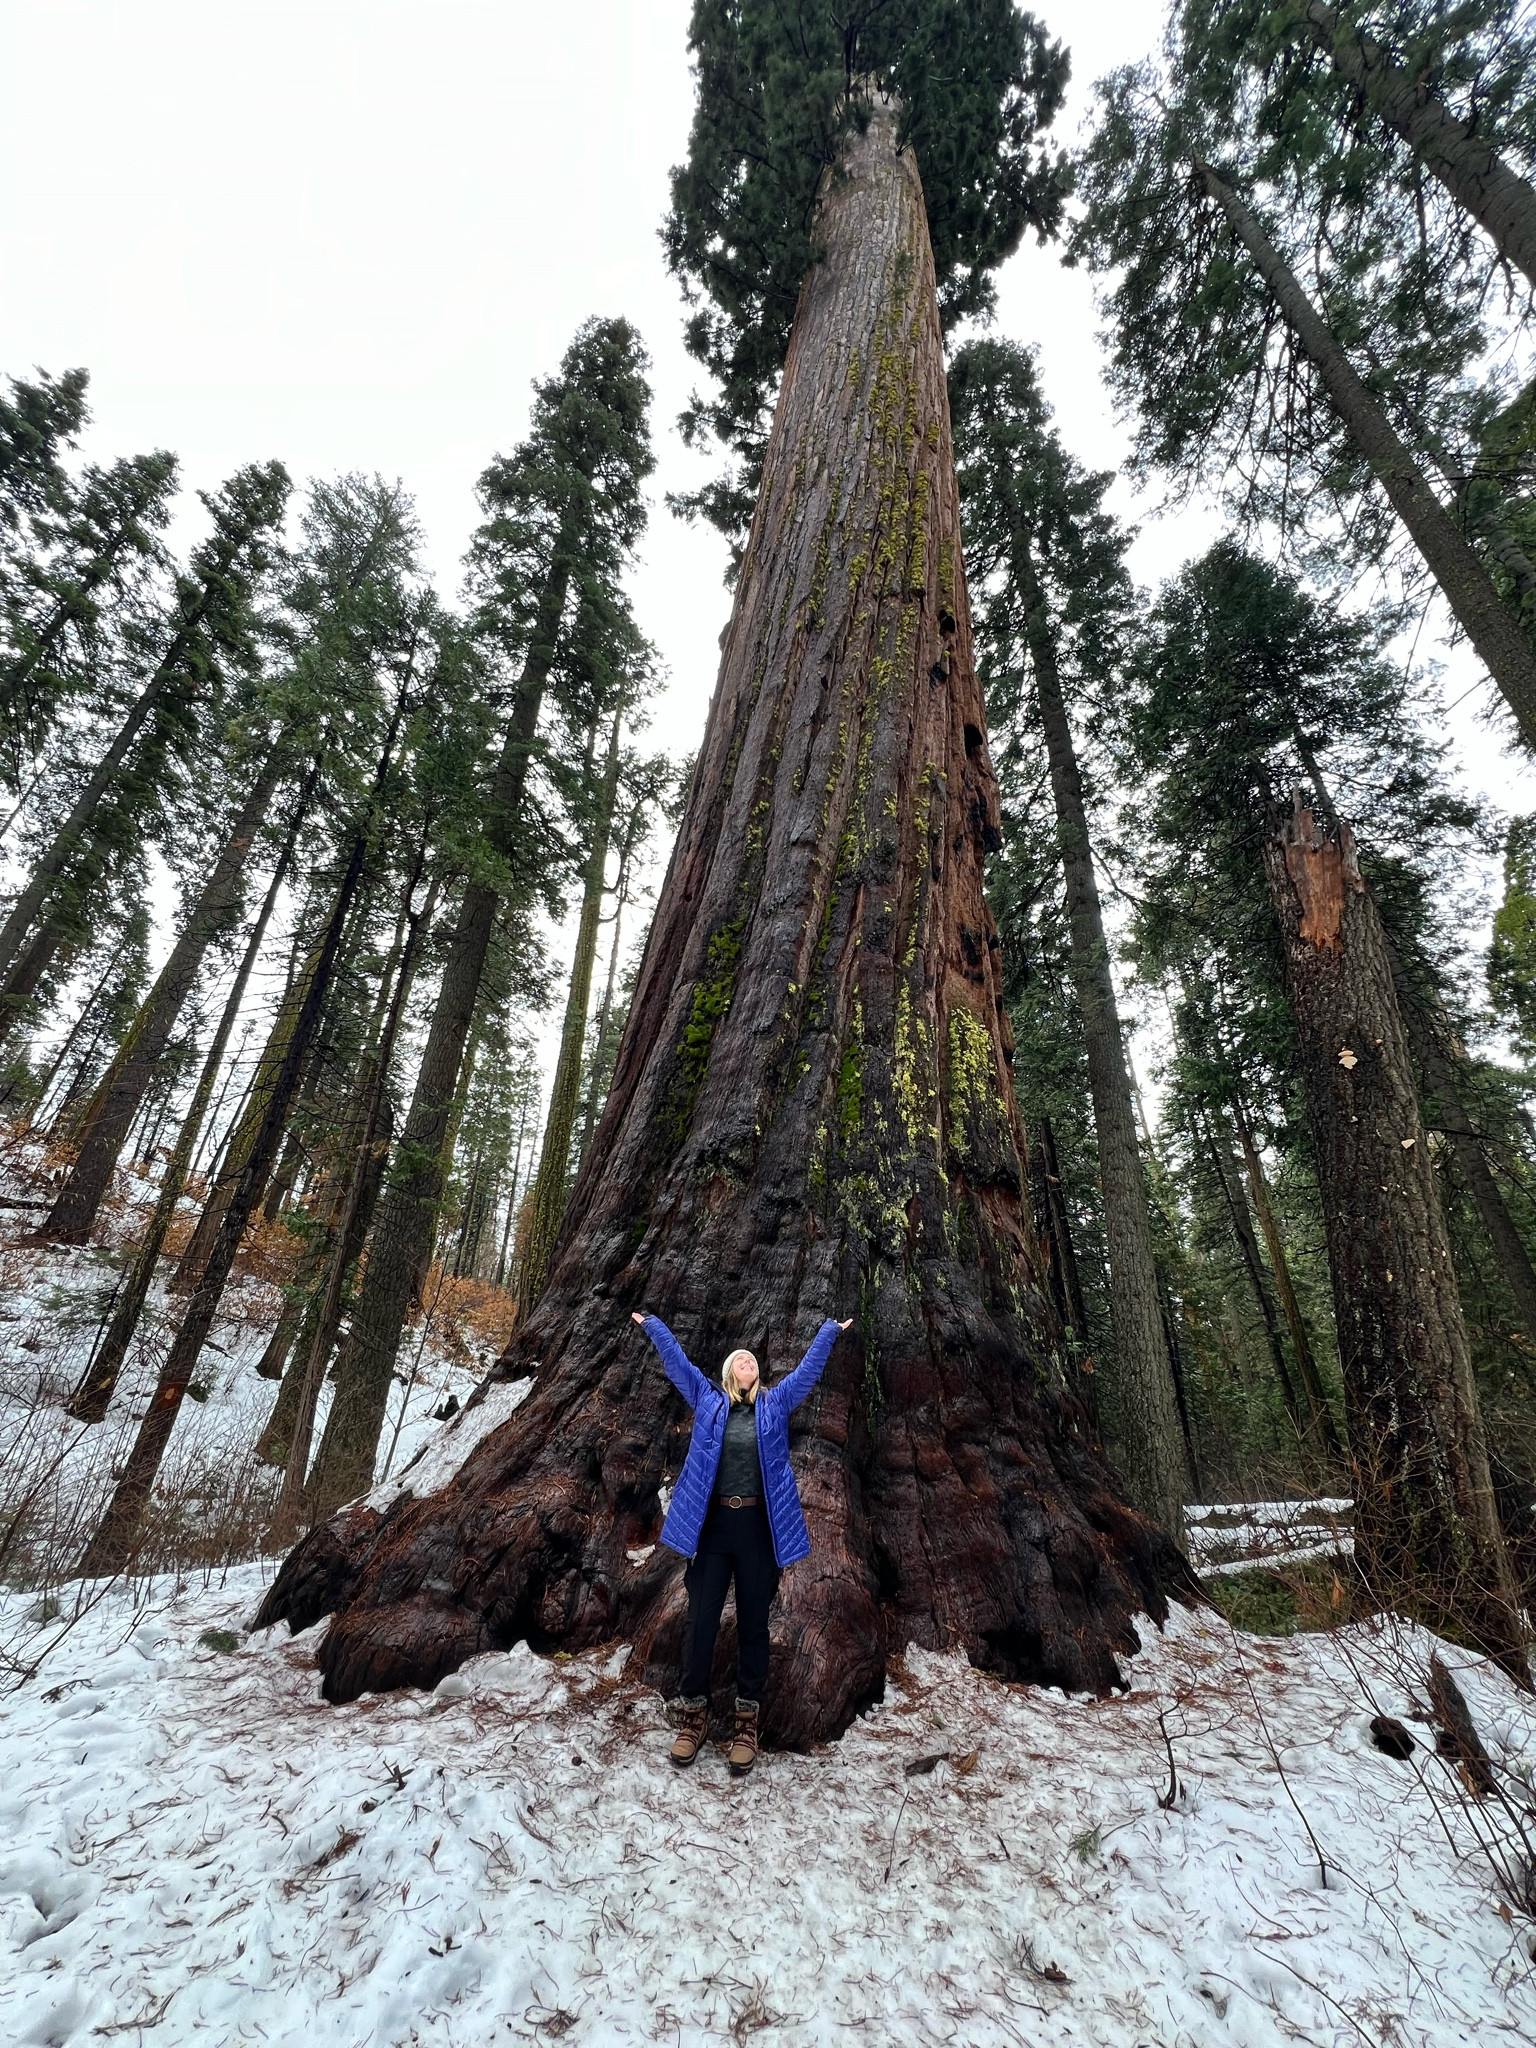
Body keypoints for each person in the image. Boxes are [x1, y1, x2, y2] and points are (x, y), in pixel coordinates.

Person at [631, 1307, 852, 1775]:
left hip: (757, 1531)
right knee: (702, 1623)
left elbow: (807, 1373)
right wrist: (655, 1325)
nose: (750, 1364)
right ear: (730, 1372)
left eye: (754, 1361)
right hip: (713, 1530)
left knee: (754, 1625)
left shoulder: (775, 1404)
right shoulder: (708, 1401)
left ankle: (745, 1723)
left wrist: (828, 1333)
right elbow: (679, 1366)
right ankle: (693, 1718)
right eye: (742, 1361)